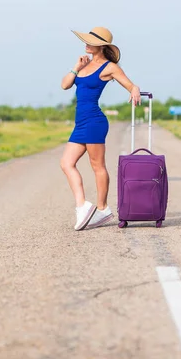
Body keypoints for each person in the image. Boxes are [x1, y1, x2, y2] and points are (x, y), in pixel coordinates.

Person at [60, 27, 142, 231]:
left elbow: (130, 85)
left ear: (101, 46)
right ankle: (82, 206)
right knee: (66, 163)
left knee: (97, 166)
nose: (85, 44)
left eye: (89, 41)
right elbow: (65, 85)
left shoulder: (109, 67)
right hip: (81, 123)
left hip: (95, 121)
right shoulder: (84, 65)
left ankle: (103, 208)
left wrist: (135, 90)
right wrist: (76, 67)